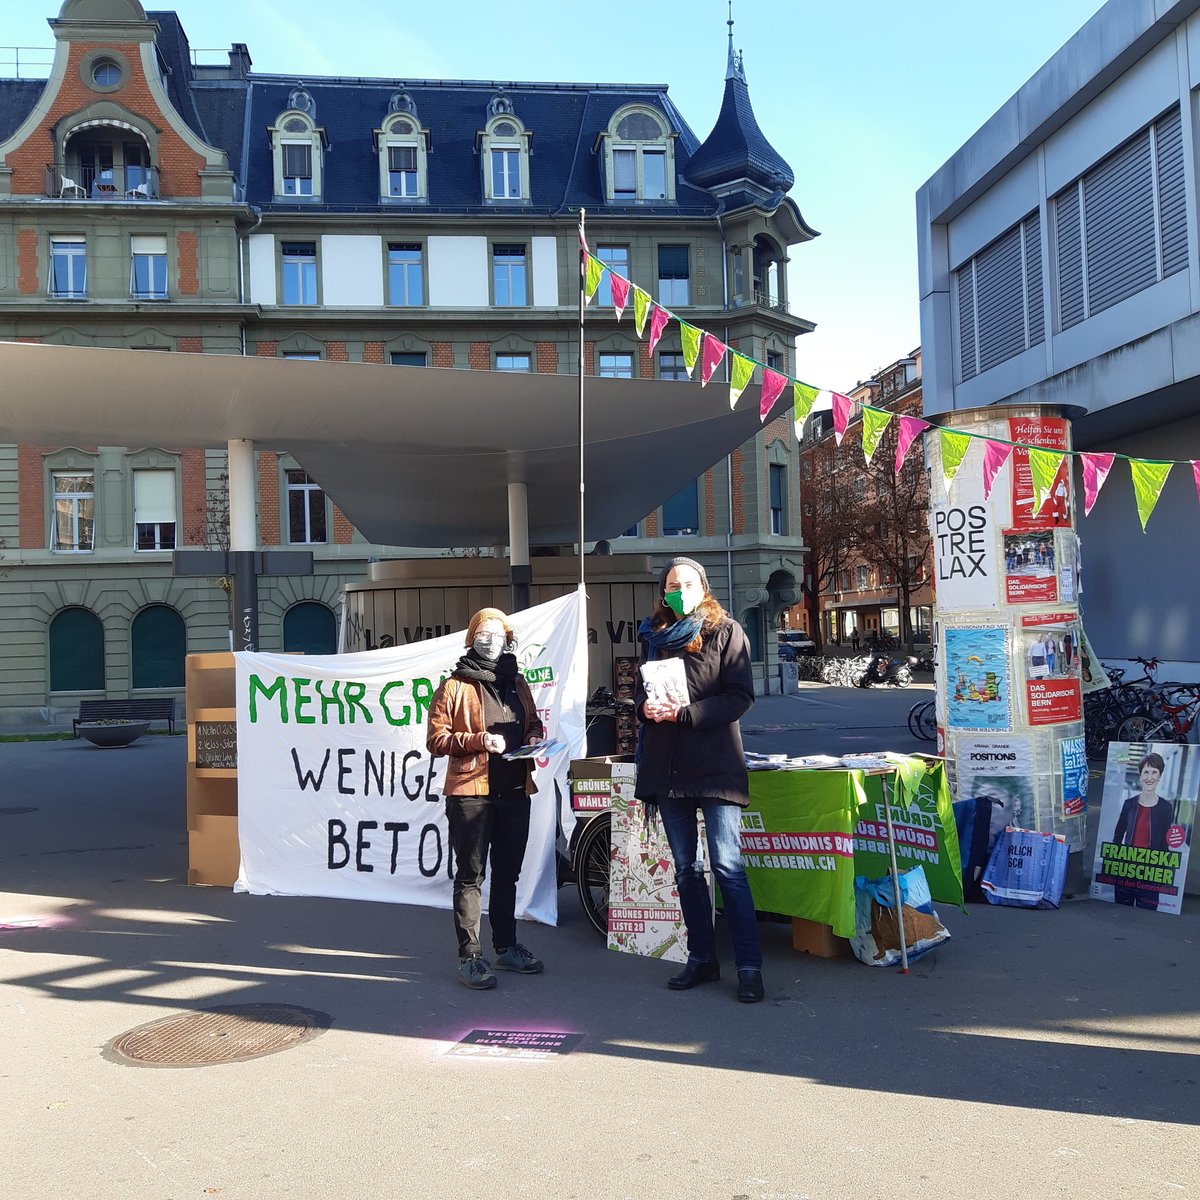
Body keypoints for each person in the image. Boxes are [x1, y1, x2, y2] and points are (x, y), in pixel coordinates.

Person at [634, 556, 763, 1003]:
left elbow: (741, 696)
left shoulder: (726, 632)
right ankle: (702, 959)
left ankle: (748, 967)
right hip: (668, 768)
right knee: (687, 871)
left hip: (714, 767)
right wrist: (645, 710)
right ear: (663, 591)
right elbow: (640, 695)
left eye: (688, 583)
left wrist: (687, 714)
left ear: (702, 587)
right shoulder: (654, 637)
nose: (680, 591)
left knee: (728, 867)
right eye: (672, 584)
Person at [426, 608, 546, 989]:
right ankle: (471, 957)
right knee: (471, 877)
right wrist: (478, 740)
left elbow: (534, 723)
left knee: (508, 874)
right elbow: (436, 740)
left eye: (497, 634)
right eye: (483, 633)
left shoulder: (517, 681)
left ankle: (507, 947)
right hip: (470, 795)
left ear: (508, 640)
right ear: (471, 637)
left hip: (514, 790)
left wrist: (533, 738)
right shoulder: (454, 685)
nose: (490, 640)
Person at [1111, 752, 1174, 910]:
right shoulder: (1129, 804)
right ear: (1140, 776)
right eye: (1146, 772)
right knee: (1120, 916)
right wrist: (1114, 866)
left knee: (1146, 920)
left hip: (1150, 877)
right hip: (1126, 873)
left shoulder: (1166, 808)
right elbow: (1117, 838)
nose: (1149, 777)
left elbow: (1165, 845)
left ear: (1159, 776)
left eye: (1154, 772)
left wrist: (1163, 874)